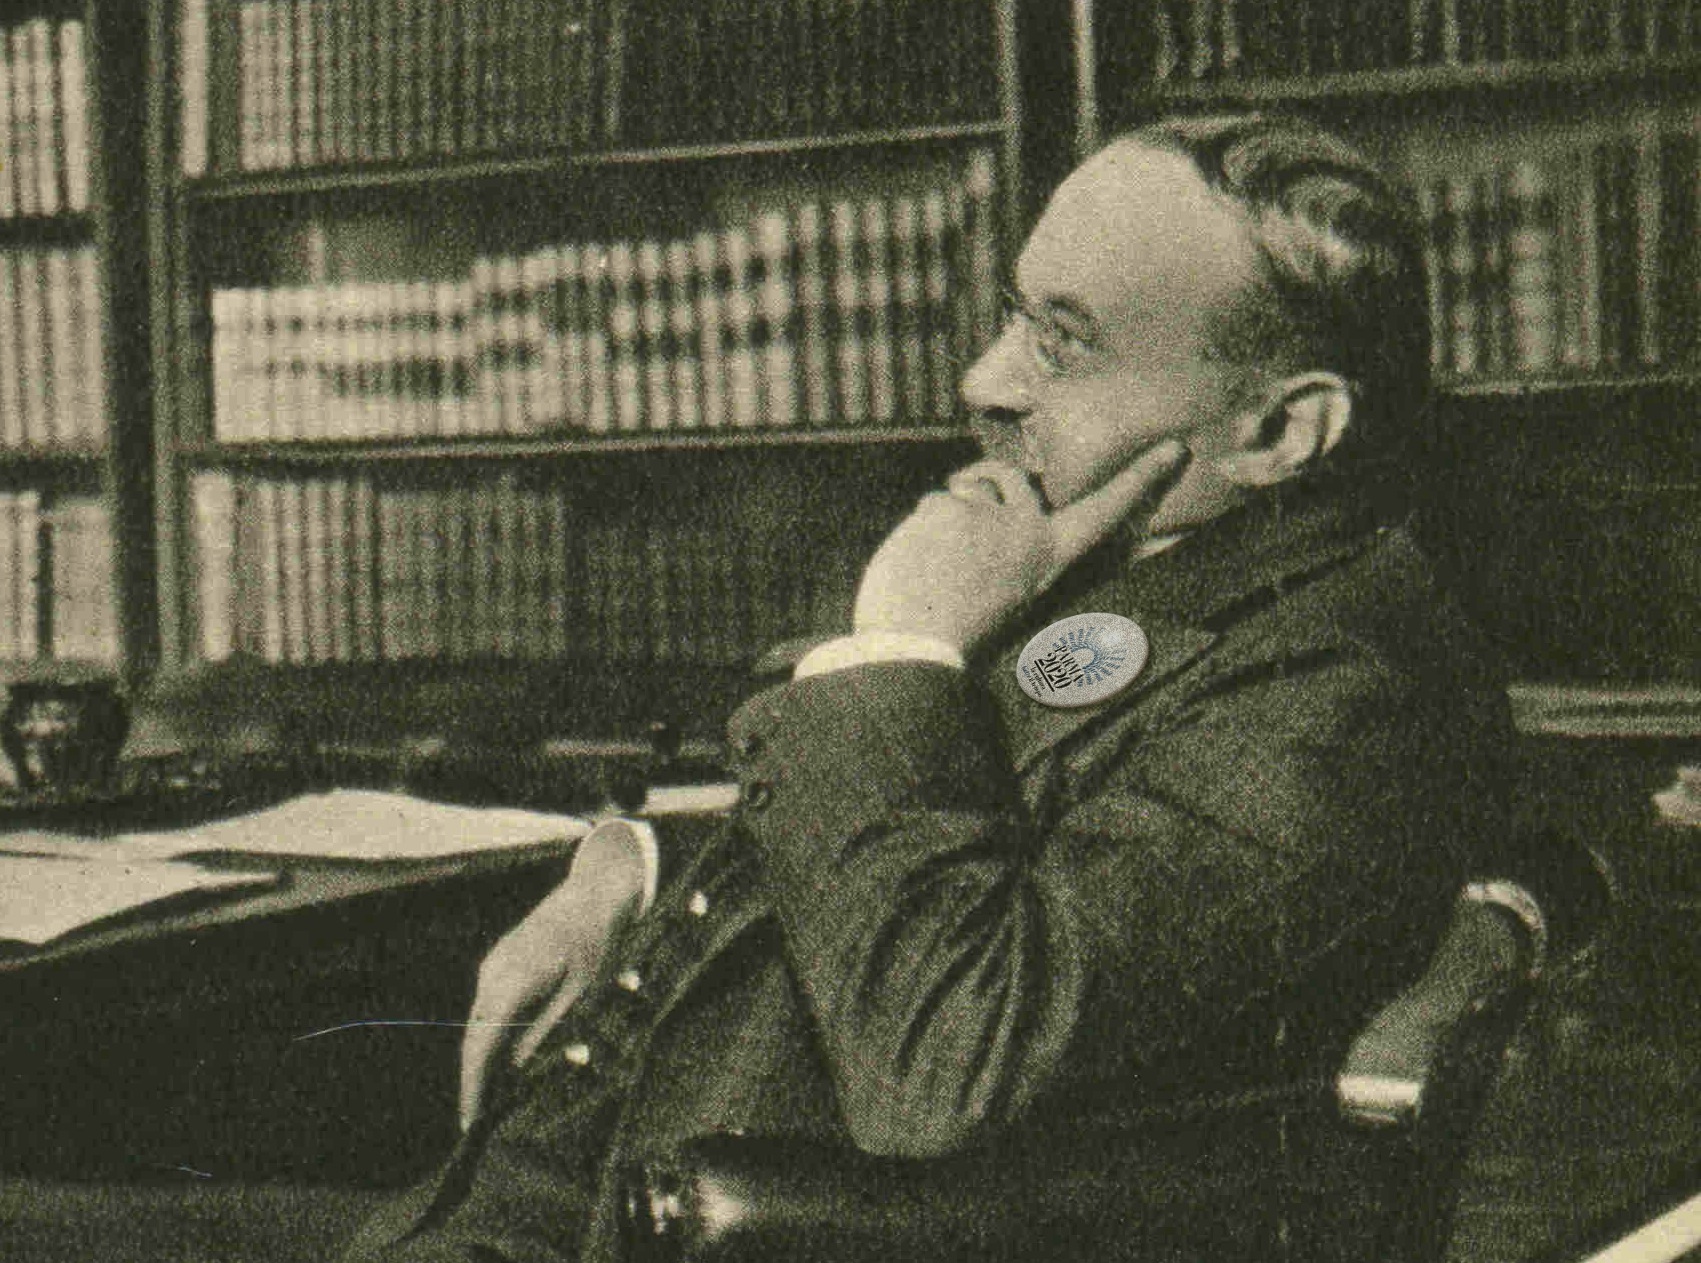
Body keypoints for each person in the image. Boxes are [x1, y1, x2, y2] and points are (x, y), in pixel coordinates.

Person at [345, 113, 1528, 1262]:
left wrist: (902, 646)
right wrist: (636, 866)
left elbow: (948, 1053)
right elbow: (977, 823)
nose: (983, 380)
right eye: (1015, 314)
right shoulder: (1147, 573)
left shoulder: (1348, 690)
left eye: (1065, 341)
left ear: (1280, 431)